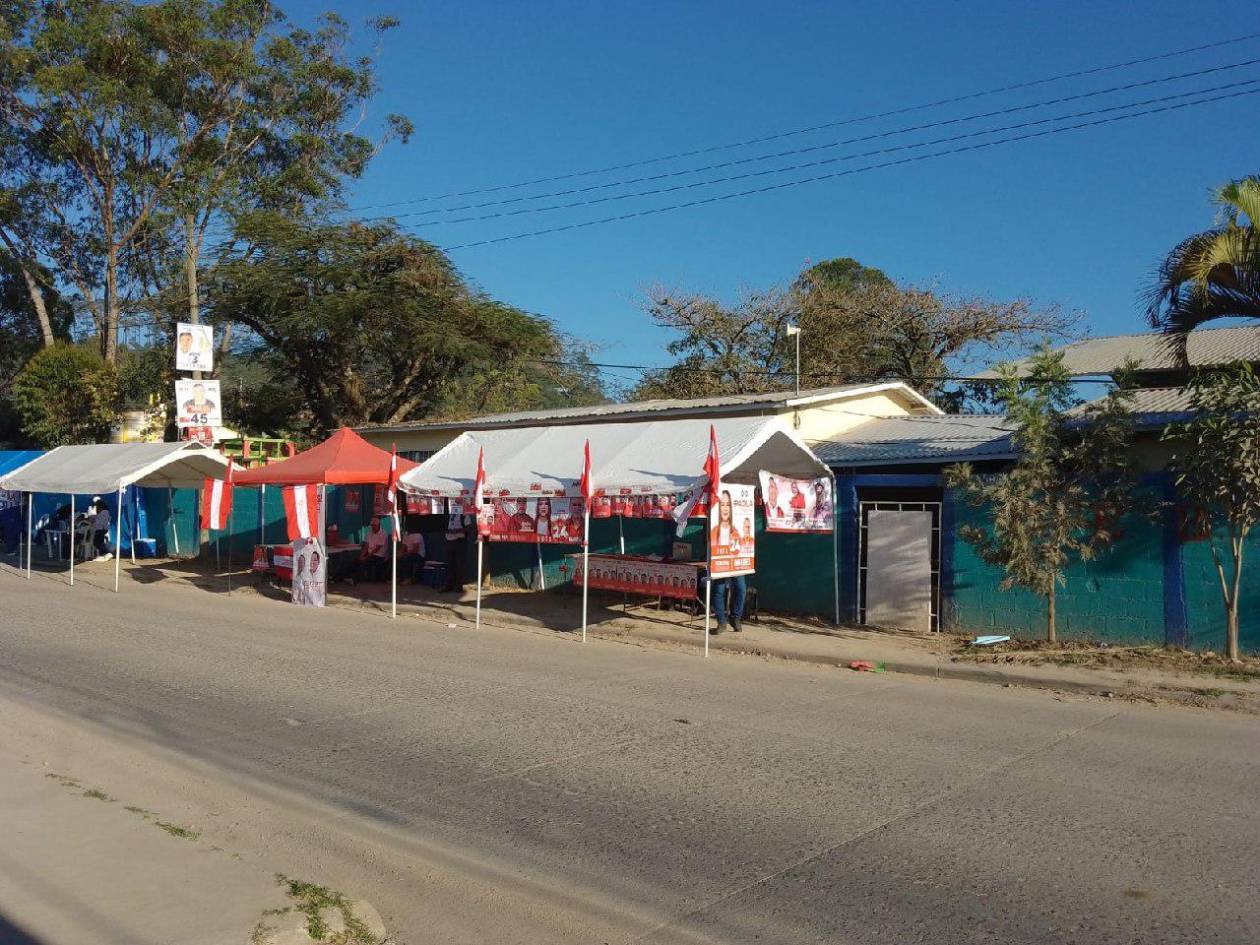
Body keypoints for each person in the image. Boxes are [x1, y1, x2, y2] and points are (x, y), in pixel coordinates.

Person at [353, 516, 389, 582]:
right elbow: (366, 546)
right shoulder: (369, 533)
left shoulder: (383, 534)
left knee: (366, 561)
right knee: (356, 560)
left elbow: (377, 549)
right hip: (370, 553)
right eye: (372, 525)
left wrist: (365, 557)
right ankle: (355, 578)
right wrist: (361, 555)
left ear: (378, 525)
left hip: (379, 555)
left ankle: (362, 578)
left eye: (374, 525)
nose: (373, 527)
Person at [442, 511, 472, 592]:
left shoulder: (464, 514)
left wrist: (457, 531)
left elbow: (469, 527)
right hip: (449, 540)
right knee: (449, 564)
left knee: (459, 564)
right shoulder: (448, 514)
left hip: (460, 541)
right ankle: (449, 585)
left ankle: (458, 586)